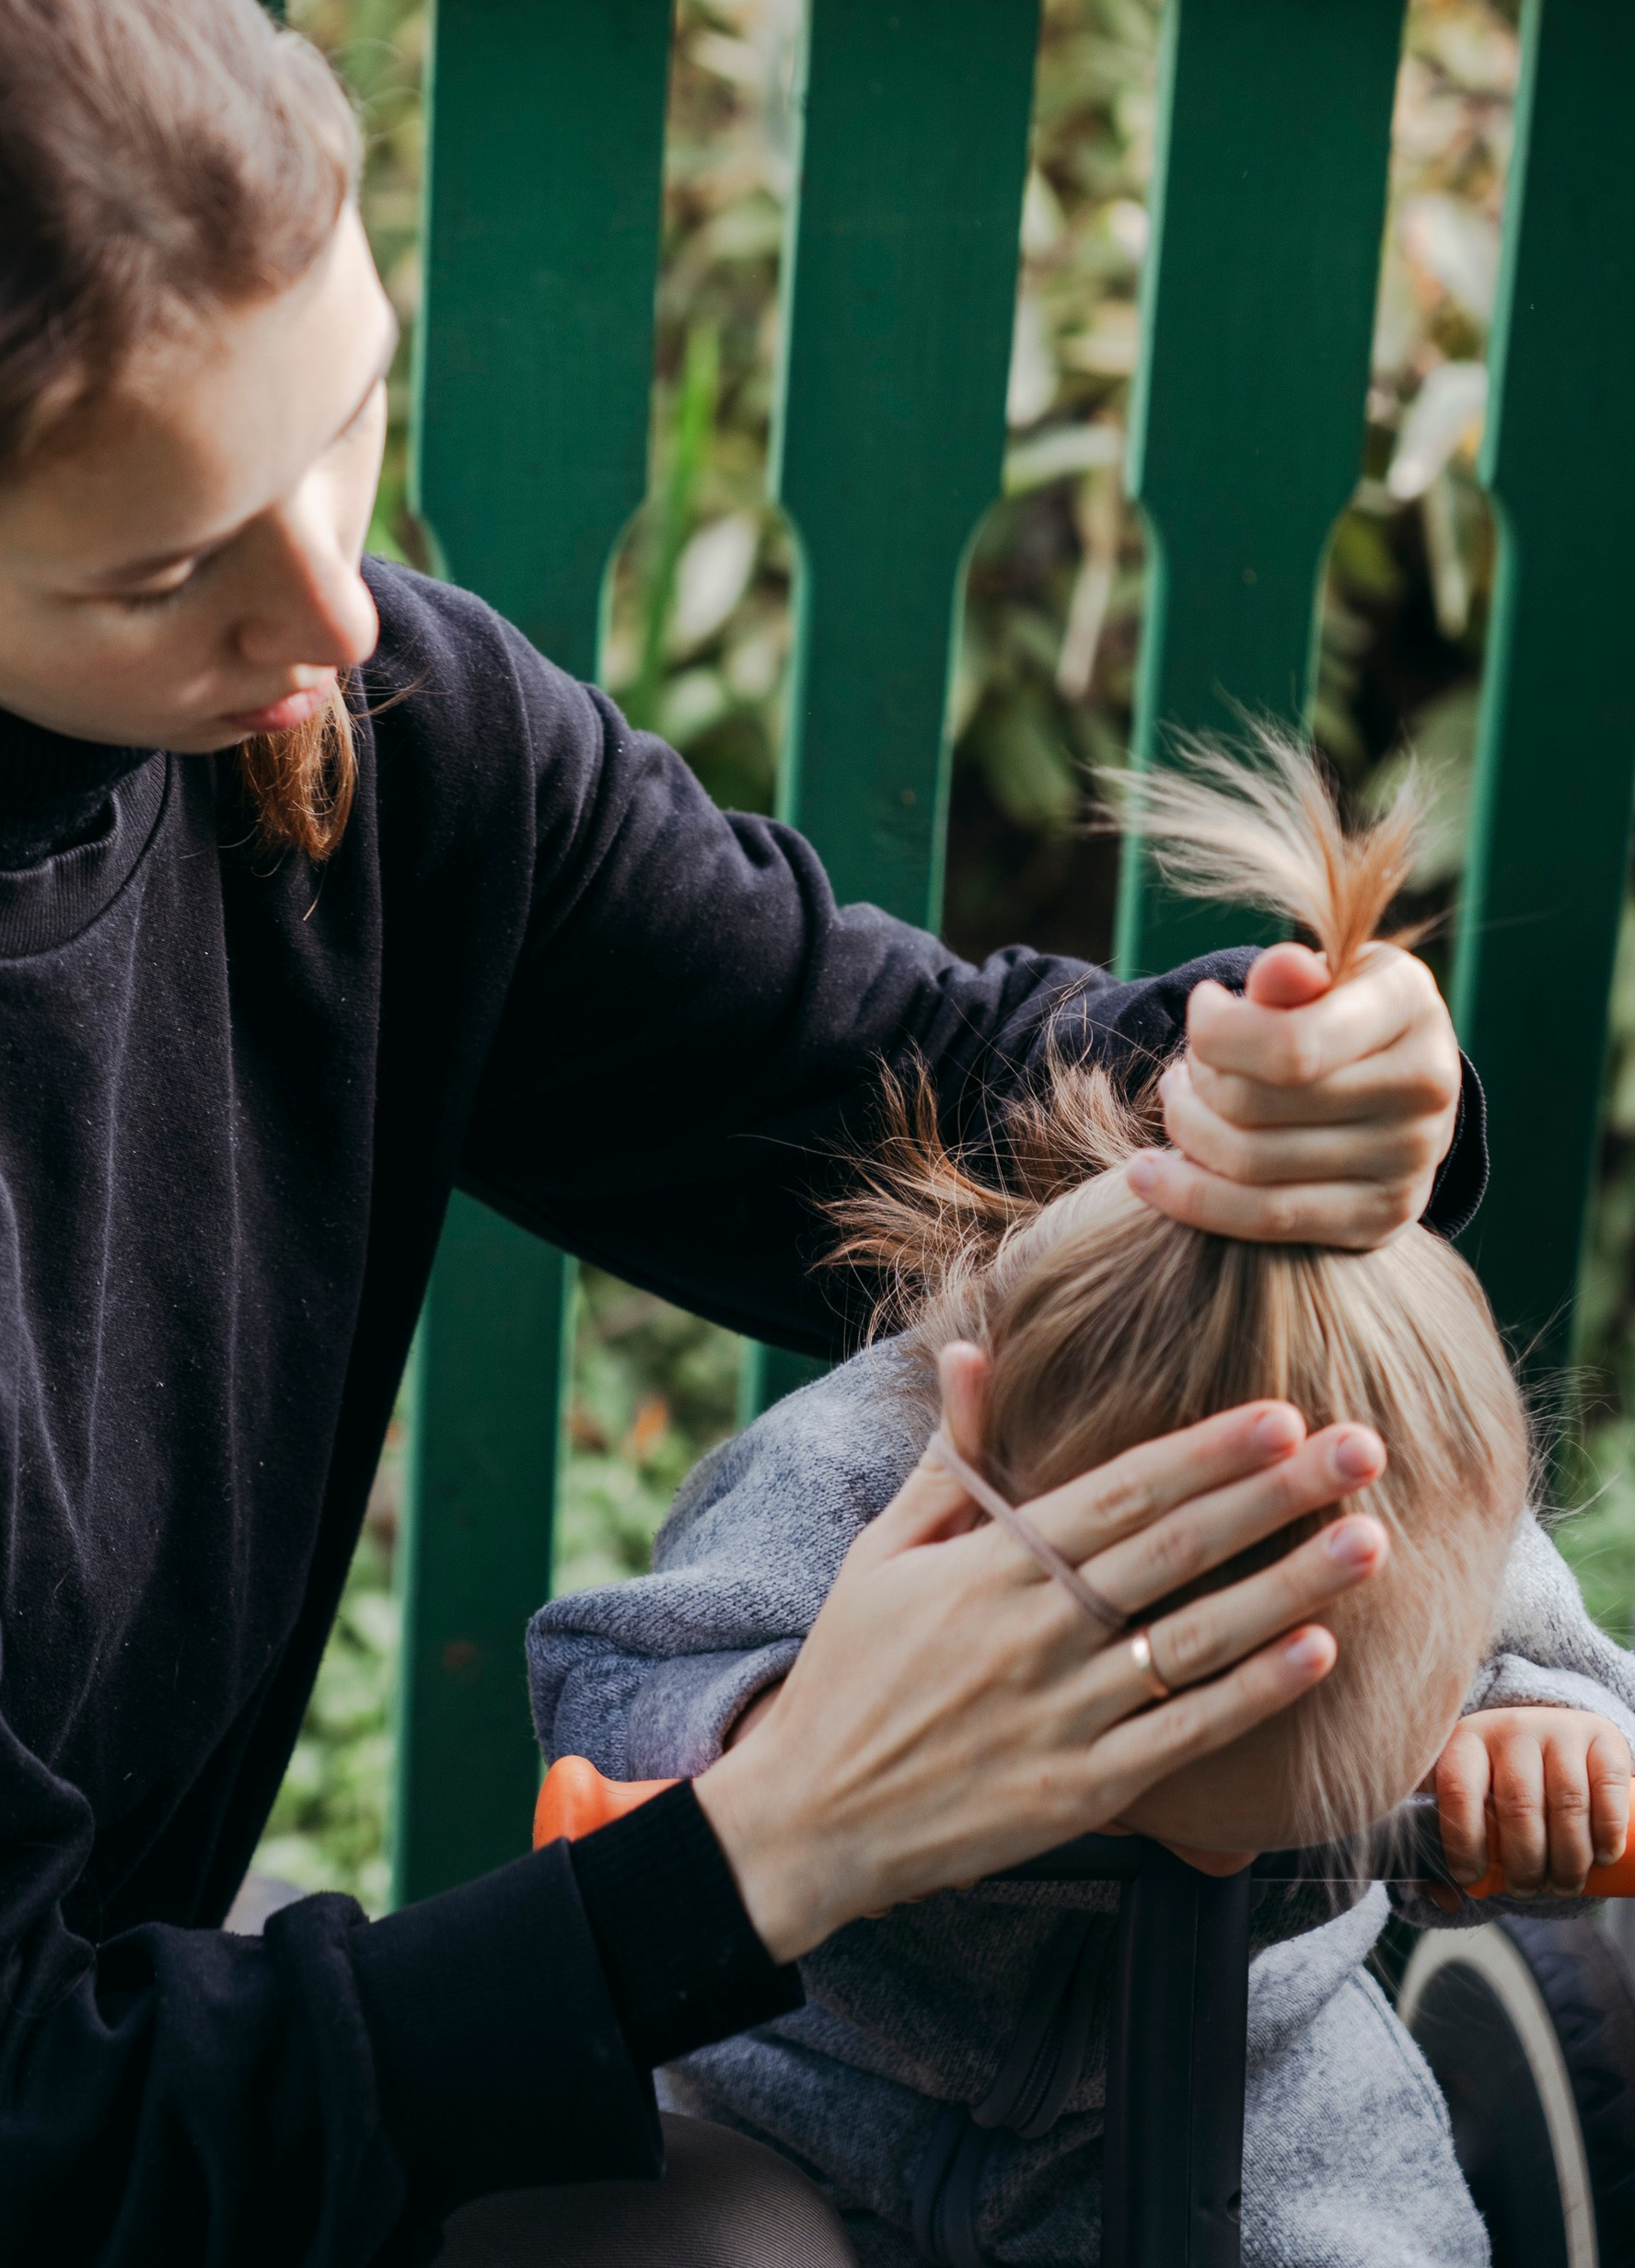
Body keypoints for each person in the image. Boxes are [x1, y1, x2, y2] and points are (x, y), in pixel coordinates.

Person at [0, 0, 1477, 2268]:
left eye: (342, 420)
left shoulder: (349, 719)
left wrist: (1265, 1081)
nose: (334, 602)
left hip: (14, 2058)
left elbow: (890, 1082)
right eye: (163, 561)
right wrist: (774, 1845)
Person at [528, 740, 1629, 2265]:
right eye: (1130, 1785)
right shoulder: (861, 1479)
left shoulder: (1411, 1487)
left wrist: (1541, 1742)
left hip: (1257, 2094)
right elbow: (611, 1680)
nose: (1216, 1871)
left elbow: (1545, 1673)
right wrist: (778, 1739)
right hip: (804, 2094)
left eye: (1284, 1829)